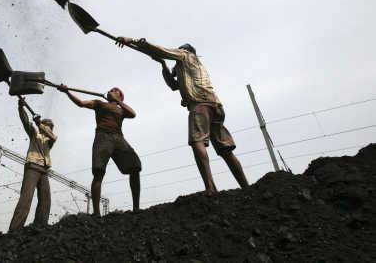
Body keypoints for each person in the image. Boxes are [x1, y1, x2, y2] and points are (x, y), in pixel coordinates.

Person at [116, 37, 248, 195]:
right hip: (215, 105)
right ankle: (246, 187)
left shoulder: (185, 55)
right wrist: (163, 64)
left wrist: (133, 41)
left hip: (200, 104)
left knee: (197, 141)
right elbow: (174, 86)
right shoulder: (195, 68)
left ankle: (210, 188)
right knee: (225, 150)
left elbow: (161, 51)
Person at [57, 85, 141, 216]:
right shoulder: (99, 103)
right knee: (98, 172)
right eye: (111, 90)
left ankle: (136, 208)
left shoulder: (122, 110)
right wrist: (67, 92)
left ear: (120, 97)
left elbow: (133, 114)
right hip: (102, 137)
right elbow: (81, 103)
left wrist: (118, 102)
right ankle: (96, 213)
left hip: (119, 138)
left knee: (135, 166)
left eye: (115, 90)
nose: (111, 91)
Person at [8, 99, 57, 231]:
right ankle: (15, 229)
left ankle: (40, 226)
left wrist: (40, 124)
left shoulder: (50, 140)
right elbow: (25, 122)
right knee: (26, 198)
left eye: (50, 127)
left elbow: (53, 136)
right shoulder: (34, 134)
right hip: (33, 167)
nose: (49, 128)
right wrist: (21, 107)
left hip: (44, 170)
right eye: (47, 126)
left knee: (46, 199)